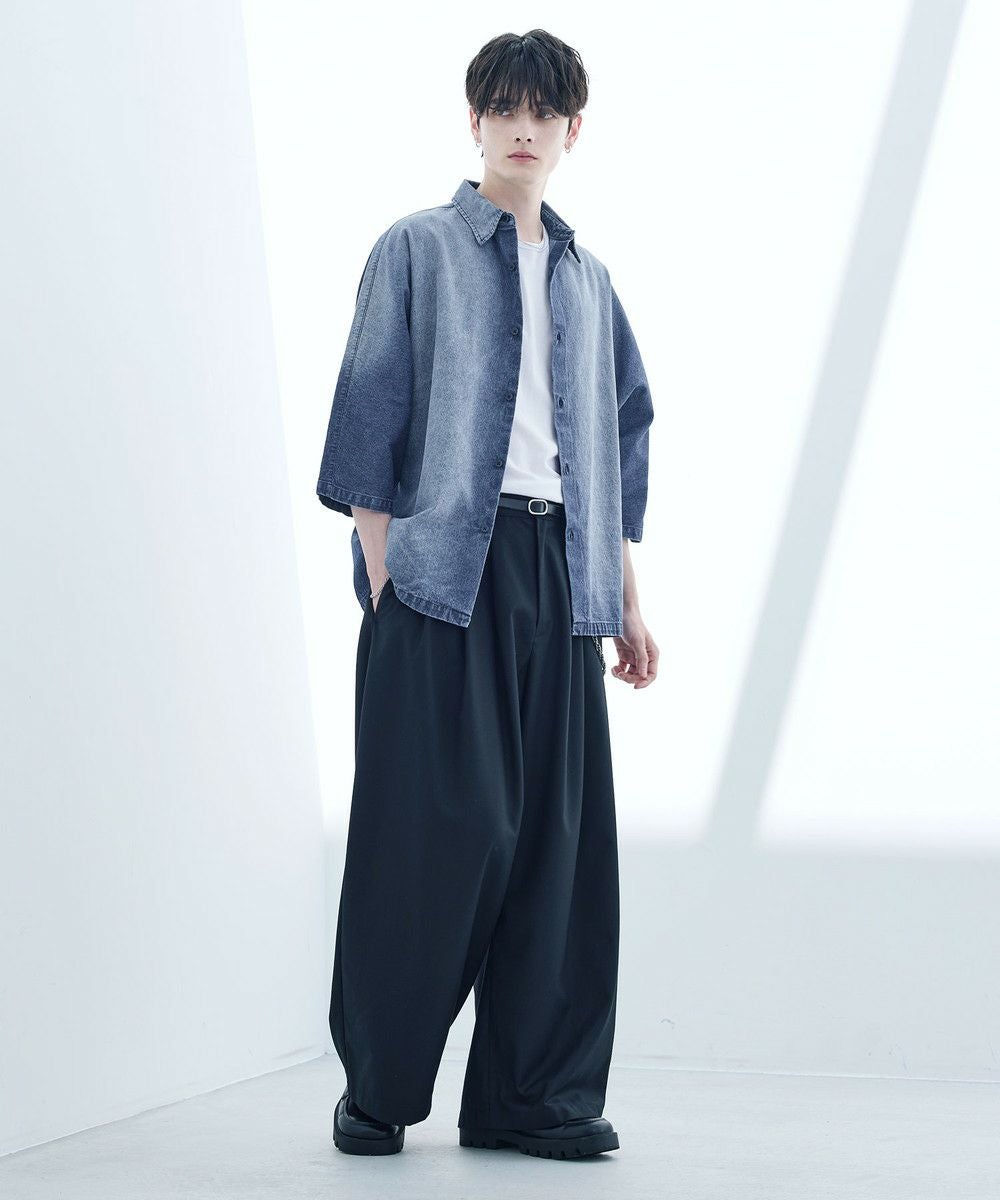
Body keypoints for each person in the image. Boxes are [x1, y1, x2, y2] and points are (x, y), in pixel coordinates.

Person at [317, 28, 657, 1160]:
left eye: (544, 112)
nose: (524, 128)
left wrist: (625, 597)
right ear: (475, 122)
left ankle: (533, 1100)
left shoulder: (589, 281)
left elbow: (614, 444)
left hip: (560, 577)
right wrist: (386, 575)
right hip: (442, 578)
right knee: (435, 831)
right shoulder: (415, 249)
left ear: (572, 131)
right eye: (504, 108)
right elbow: (368, 413)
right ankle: (379, 1091)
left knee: (558, 850)